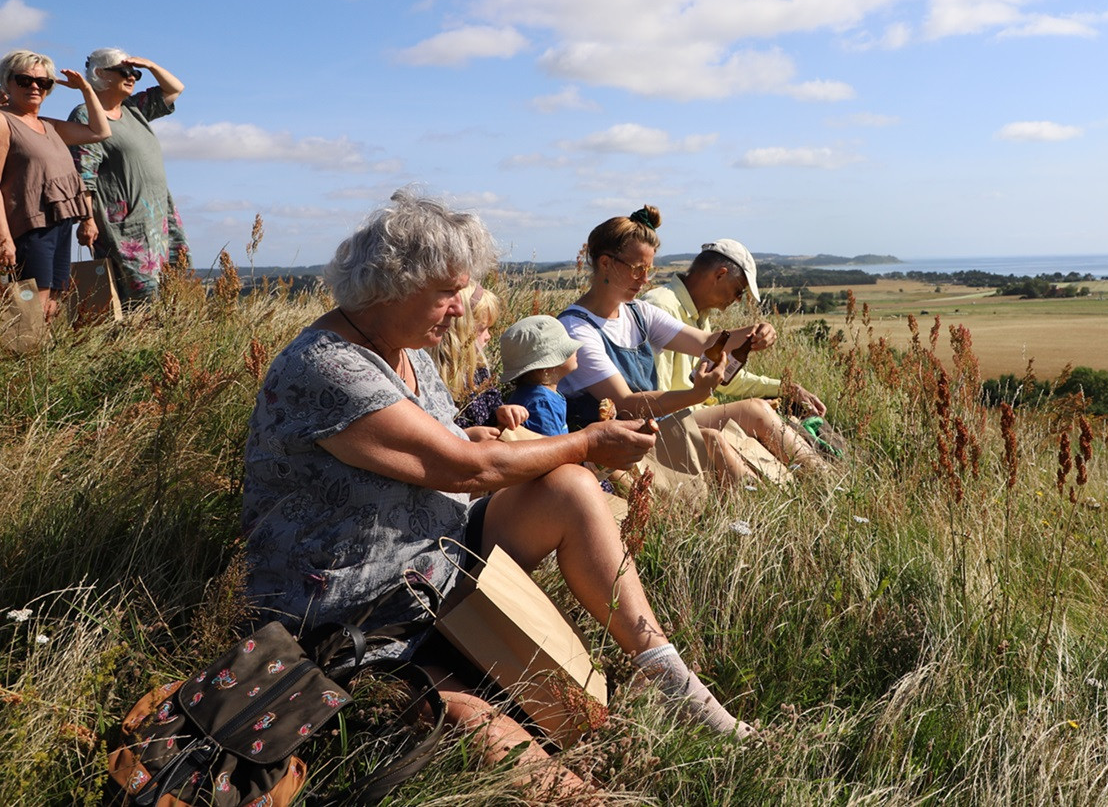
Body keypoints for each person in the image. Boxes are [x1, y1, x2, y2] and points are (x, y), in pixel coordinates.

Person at [241, 192, 754, 784]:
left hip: (441, 559)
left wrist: (468, 431)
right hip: (362, 612)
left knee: (570, 489)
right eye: (446, 291)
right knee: (511, 751)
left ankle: (670, 679)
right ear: (387, 285)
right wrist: (587, 442)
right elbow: (465, 469)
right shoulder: (329, 367)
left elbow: (437, 449)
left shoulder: (407, 349)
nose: (461, 309)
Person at [557, 205, 826, 480]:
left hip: (652, 427)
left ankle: (822, 481)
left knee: (730, 426)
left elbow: (705, 342)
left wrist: (755, 331)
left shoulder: (637, 312)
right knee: (712, 440)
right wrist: (695, 395)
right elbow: (625, 404)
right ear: (605, 263)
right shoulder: (577, 328)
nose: (646, 280)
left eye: (649, 269)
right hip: (617, 444)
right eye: (638, 269)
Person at [644, 237, 827, 417]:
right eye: (739, 290)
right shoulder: (662, 307)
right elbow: (657, 398)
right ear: (720, 275)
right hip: (677, 426)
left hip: (692, 418)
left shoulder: (698, 314)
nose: (738, 299)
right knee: (759, 413)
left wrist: (786, 388)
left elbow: (723, 377)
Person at [68, 49, 189, 304]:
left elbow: (175, 88)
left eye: (136, 73)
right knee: (140, 295)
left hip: (158, 217)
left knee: (173, 288)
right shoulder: (86, 115)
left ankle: (163, 342)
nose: (133, 76)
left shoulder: (134, 109)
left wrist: (149, 64)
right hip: (124, 223)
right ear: (100, 74)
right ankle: (137, 342)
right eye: (124, 71)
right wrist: (87, 220)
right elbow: (83, 175)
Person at [0, 50, 112, 321]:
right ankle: (26, 360)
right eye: (25, 80)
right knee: (30, 311)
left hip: (61, 226)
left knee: (51, 306)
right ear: (7, 82)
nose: (35, 87)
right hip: (30, 228)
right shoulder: (4, 122)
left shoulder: (48, 126)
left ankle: (42, 361)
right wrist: (4, 238)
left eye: (43, 82)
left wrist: (85, 88)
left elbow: (100, 131)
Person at [434, 283, 526, 430]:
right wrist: (468, 437)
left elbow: (493, 408)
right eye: (482, 329)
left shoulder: (478, 370)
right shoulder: (436, 378)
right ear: (459, 329)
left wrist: (502, 413)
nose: (488, 336)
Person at [498, 315, 582, 437]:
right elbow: (555, 450)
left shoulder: (538, 395)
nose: (575, 351)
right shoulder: (542, 404)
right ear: (547, 368)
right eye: (567, 350)